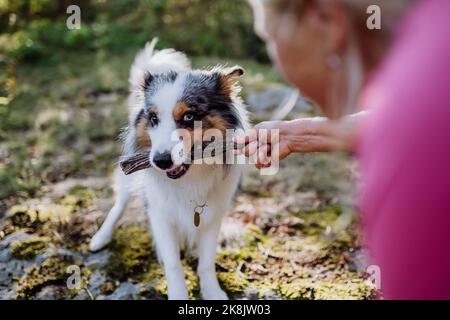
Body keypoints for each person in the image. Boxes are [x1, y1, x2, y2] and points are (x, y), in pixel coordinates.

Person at [236, 0, 450, 299]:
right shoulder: (432, 33)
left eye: (269, 40)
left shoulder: (412, 131)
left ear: (324, 17)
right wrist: (300, 134)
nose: (275, 60)